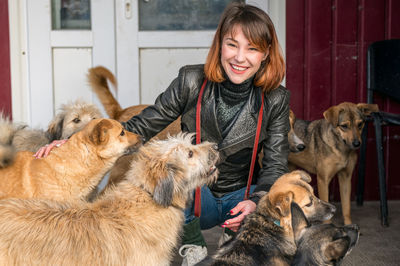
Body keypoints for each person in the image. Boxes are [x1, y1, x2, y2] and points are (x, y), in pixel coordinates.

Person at [35, 3, 289, 266]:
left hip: (241, 196)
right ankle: (193, 248)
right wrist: (75, 145)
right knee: (166, 177)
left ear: (266, 54)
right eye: (232, 45)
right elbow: (145, 124)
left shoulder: (276, 99)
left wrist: (258, 201)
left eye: (252, 49)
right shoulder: (191, 80)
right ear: (219, 45)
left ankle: (234, 239)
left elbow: (275, 164)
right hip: (196, 198)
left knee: (278, 202)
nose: (239, 57)